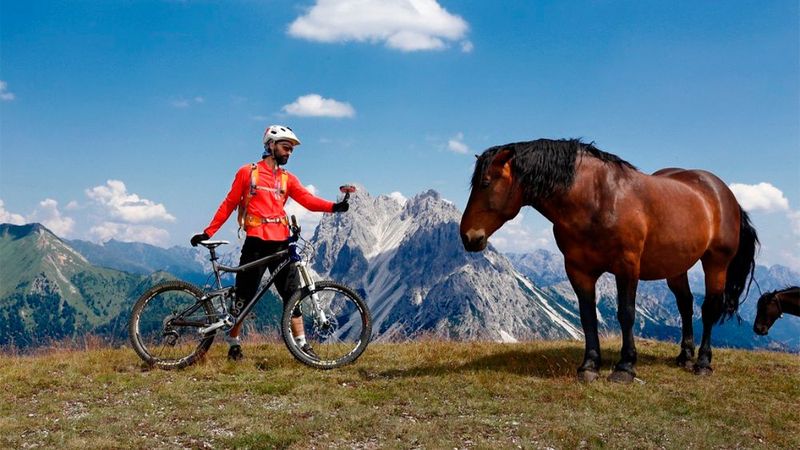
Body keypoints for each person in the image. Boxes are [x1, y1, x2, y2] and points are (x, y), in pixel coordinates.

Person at [190, 125, 349, 361]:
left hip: (281, 245)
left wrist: (335, 207)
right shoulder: (248, 172)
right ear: (271, 145)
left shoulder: (287, 179)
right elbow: (230, 203)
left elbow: (308, 200)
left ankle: (303, 346)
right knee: (244, 296)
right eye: (286, 147)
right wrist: (208, 231)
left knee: (292, 294)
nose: (289, 153)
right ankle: (234, 342)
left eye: (292, 150)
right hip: (255, 243)